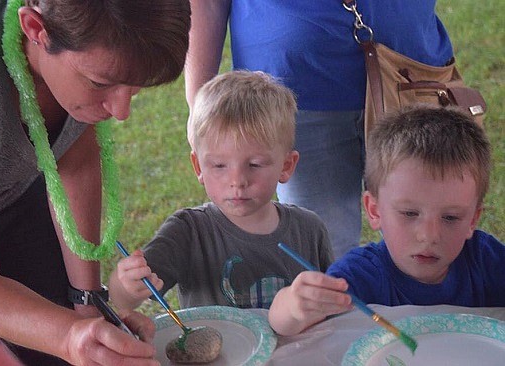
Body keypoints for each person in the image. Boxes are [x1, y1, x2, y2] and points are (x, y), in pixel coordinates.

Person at [0, 0, 190, 365]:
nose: (121, 111)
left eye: (136, 86)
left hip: (12, 191)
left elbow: (75, 158)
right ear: (35, 29)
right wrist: (70, 336)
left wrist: (87, 304)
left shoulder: (78, 55)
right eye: (101, 83)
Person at [184, 1, 455, 259]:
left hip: (413, 78)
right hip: (293, 96)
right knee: (324, 258)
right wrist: (198, 102)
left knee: (430, 245)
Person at [268, 106, 505, 336]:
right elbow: (285, 326)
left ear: (473, 219)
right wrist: (292, 306)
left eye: (451, 217)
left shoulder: (485, 260)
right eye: (410, 213)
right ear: (375, 210)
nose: (429, 235)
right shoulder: (361, 275)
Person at [109, 71, 334, 311]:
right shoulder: (188, 232)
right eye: (219, 166)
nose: (237, 181)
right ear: (199, 167)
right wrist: (126, 286)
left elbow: (332, 304)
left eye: (254, 165)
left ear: (286, 166)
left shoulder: (309, 229)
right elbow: (124, 299)